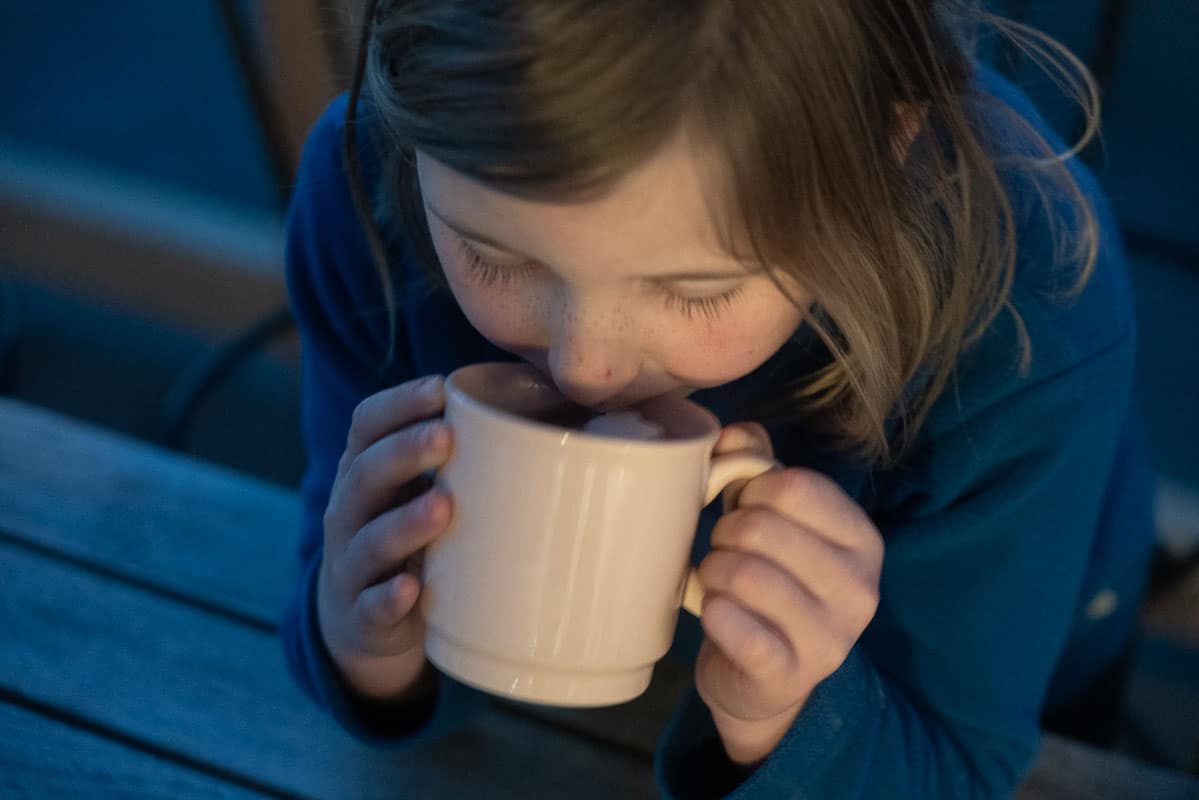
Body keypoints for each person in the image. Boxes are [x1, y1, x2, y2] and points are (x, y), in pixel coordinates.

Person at [280, 1, 1158, 796]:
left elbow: (954, 762)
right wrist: (370, 649)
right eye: (495, 256)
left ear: (885, 147)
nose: (586, 367)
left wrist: (780, 720)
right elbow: (363, 623)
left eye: (697, 290)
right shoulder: (365, 195)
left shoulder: (1030, 319)